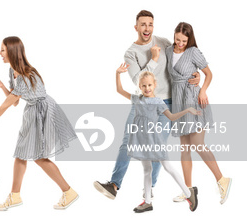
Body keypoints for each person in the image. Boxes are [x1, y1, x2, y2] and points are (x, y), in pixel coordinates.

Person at [93, 10, 201, 200]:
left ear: (153, 26)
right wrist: (154, 59)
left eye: (150, 24)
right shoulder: (130, 53)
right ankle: (114, 184)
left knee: (157, 147)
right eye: (143, 24)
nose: (147, 28)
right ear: (136, 27)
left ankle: (149, 188)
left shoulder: (164, 42)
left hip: (165, 102)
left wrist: (196, 74)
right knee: (127, 142)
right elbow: (137, 80)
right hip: (141, 104)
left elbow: (182, 57)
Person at [0, 36, 79, 211]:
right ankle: (15, 195)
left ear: (12, 52)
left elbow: (4, 107)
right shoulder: (12, 71)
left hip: (43, 111)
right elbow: (14, 101)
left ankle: (68, 191)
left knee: (38, 157)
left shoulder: (24, 75)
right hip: (32, 111)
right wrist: (2, 87)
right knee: (22, 154)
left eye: (2, 50)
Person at [116, 66, 199, 213]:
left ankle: (188, 193)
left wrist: (187, 110)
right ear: (139, 87)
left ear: (155, 85)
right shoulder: (137, 100)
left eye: (149, 85)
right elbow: (119, 90)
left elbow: (171, 117)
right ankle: (147, 202)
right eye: (143, 85)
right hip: (141, 140)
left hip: (154, 140)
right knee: (146, 170)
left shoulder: (158, 102)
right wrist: (117, 74)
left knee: (167, 167)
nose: (147, 88)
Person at [167, 22, 231, 204]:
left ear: (189, 39)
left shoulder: (193, 51)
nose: (180, 43)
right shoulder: (167, 51)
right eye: (177, 39)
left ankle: (222, 180)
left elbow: (209, 74)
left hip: (194, 100)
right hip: (178, 104)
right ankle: (188, 190)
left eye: (184, 41)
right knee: (184, 148)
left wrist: (203, 89)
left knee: (197, 143)